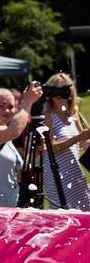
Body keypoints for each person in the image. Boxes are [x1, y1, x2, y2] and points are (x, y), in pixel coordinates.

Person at [41, 73, 90, 211]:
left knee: (85, 214)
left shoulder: (73, 114)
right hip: (57, 175)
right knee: (66, 216)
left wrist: (84, 138)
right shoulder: (48, 116)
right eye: (55, 88)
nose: (59, 92)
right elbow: (49, 148)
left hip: (75, 172)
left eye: (63, 88)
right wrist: (78, 138)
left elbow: (84, 143)